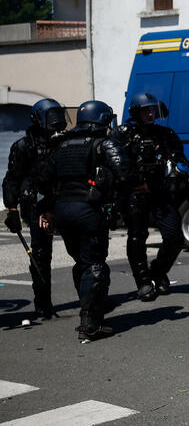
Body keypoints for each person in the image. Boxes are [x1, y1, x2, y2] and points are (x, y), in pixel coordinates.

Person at [36, 101, 131, 341]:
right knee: (96, 264)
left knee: (81, 262)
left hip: (63, 212)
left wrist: (47, 210)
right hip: (89, 211)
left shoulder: (61, 145)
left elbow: (43, 181)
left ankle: (89, 308)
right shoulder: (103, 144)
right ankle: (90, 323)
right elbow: (125, 174)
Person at [115, 93, 188, 301]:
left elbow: (180, 158)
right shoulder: (124, 134)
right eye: (145, 110)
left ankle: (157, 271)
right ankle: (143, 281)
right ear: (135, 112)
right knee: (137, 237)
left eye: (152, 110)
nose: (150, 114)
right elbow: (115, 164)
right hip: (135, 192)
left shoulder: (165, 134)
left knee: (175, 236)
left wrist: (181, 173)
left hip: (160, 191)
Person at [3, 99, 67, 320]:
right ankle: (43, 302)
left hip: (65, 202)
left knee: (83, 249)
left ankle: (91, 297)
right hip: (36, 205)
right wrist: (11, 208)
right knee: (41, 254)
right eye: (51, 117)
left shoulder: (65, 142)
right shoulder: (24, 146)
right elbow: (12, 179)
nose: (56, 122)